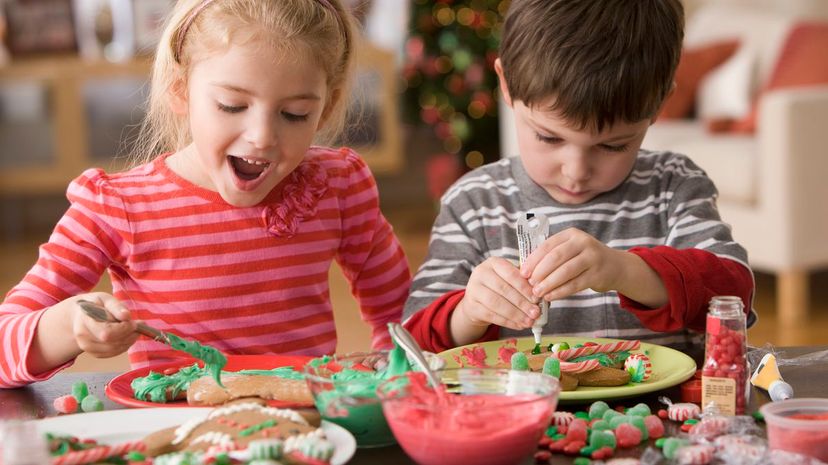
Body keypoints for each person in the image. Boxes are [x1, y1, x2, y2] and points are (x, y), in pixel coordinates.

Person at [0, 0, 411, 388]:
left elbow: (404, 320)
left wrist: (387, 374)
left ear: (326, 105)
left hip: (304, 430)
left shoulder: (339, 186)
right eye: (232, 105)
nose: (262, 137)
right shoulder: (116, 207)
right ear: (180, 90)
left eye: (294, 114)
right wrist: (68, 327)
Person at [403, 0, 754, 359]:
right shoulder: (473, 204)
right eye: (549, 138)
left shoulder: (673, 187)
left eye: (613, 145)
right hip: (520, 413)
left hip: (661, 413)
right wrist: (469, 311)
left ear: (659, 105)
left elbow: (734, 297)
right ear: (506, 84)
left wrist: (624, 271)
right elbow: (412, 342)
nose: (576, 170)